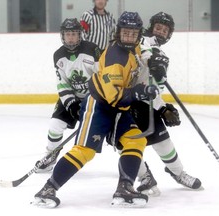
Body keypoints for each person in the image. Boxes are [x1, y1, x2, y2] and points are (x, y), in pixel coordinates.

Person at [32, 11, 159, 208]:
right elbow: (114, 96)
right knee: (85, 151)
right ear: (118, 33)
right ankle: (48, 189)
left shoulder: (133, 48)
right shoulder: (115, 59)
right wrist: (141, 91)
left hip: (118, 108)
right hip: (99, 105)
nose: (129, 37)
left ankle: (125, 187)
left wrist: (153, 61)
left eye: (133, 34)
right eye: (125, 33)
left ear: (137, 35)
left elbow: (144, 51)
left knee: (136, 138)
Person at [119, 12, 202, 195]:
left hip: (146, 104)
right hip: (126, 101)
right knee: (130, 144)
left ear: (169, 34)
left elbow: (155, 86)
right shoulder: (142, 40)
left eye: (165, 30)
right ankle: (145, 177)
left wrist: (162, 107)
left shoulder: (161, 52)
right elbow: (140, 51)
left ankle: (178, 173)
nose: (161, 32)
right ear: (151, 27)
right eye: (158, 28)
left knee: (164, 142)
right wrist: (152, 59)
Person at [34, 18, 101, 173]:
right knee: (55, 126)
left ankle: (136, 165)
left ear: (80, 35)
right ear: (62, 36)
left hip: (94, 99)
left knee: (114, 133)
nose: (71, 37)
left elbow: (102, 76)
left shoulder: (92, 49)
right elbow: (62, 83)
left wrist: (96, 99)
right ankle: (50, 155)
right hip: (72, 98)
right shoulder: (58, 55)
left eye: (74, 34)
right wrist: (71, 103)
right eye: (68, 34)